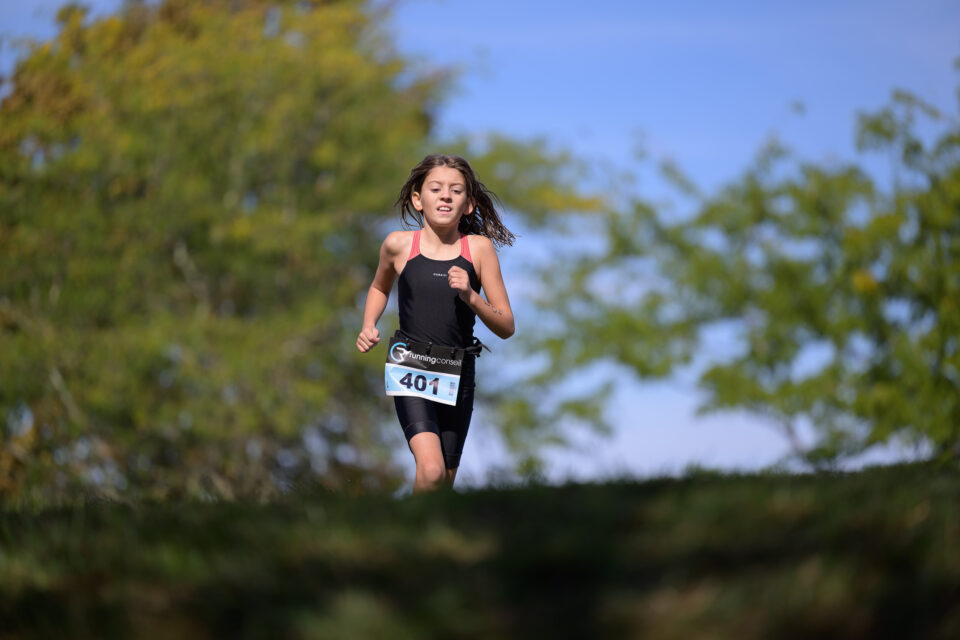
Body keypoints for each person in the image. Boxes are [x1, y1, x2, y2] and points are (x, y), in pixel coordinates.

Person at [356, 154, 516, 492]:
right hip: (409, 364)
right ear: (418, 199)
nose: (445, 196)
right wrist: (369, 323)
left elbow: (506, 325)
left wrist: (473, 298)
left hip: (458, 373)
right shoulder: (398, 245)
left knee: (441, 484)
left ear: (469, 204)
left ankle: (415, 543)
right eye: (436, 188)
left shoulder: (479, 249)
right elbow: (378, 287)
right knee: (429, 470)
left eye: (456, 191)